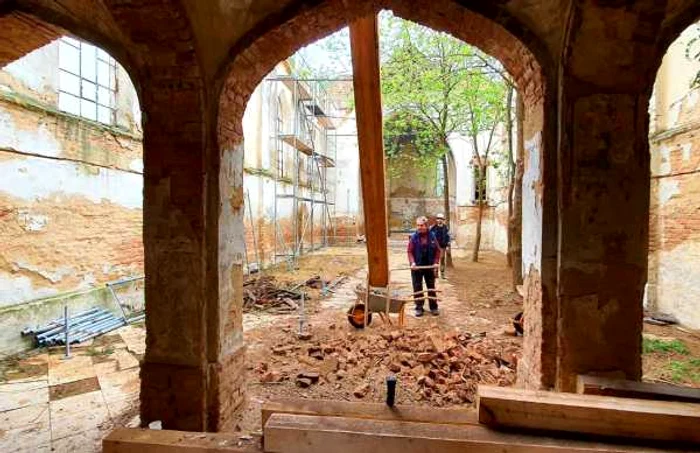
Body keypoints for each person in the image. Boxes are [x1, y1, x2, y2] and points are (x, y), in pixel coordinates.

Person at [407, 216, 441, 317]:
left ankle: (434, 307)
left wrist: (436, 262)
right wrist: (412, 262)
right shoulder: (413, 237)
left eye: (421, 225)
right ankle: (419, 307)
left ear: (426, 226)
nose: (419, 227)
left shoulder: (432, 236)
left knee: (431, 287)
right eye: (418, 225)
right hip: (417, 267)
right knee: (417, 287)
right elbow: (409, 251)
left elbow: (438, 251)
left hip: (429, 266)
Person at [430, 213, 451, 279]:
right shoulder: (433, 227)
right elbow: (429, 236)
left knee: (442, 259)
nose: (439, 220)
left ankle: (442, 273)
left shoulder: (445, 228)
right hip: (435, 247)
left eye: (441, 219)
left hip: (442, 246)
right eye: (438, 219)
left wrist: (448, 246)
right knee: (435, 259)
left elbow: (448, 237)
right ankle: (435, 273)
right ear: (436, 219)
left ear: (443, 220)